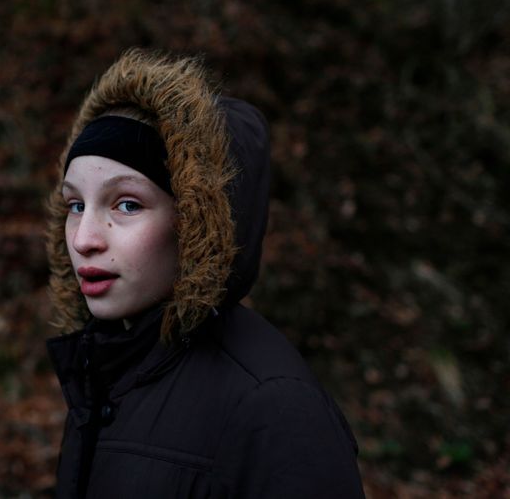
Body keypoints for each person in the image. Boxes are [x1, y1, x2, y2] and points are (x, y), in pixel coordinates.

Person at [45, 49, 365, 498]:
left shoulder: (274, 407)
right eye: (76, 205)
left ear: (199, 222)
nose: (84, 239)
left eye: (127, 204)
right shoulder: (103, 369)